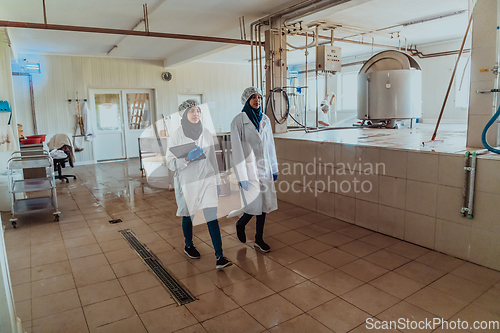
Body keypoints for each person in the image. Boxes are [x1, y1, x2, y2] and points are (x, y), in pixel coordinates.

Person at [166, 100, 232, 269]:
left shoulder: (207, 133)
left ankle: (220, 256)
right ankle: (188, 245)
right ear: (183, 114)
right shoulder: (176, 135)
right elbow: (170, 163)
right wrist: (187, 158)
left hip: (206, 180)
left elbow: (212, 159)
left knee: (212, 217)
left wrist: (217, 181)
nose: (195, 114)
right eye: (191, 111)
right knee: (188, 215)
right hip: (187, 182)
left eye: (197, 111)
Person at [230, 87, 279, 253]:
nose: (257, 100)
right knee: (253, 206)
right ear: (246, 100)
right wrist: (241, 176)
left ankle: (259, 238)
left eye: (259, 97)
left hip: (264, 169)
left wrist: (273, 167)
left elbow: (270, 146)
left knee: (263, 205)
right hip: (248, 171)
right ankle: (241, 223)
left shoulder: (265, 119)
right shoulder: (238, 121)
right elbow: (236, 150)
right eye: (253, 97)